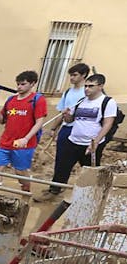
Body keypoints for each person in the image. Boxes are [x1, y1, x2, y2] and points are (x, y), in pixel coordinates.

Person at [35, 74, 119, 201]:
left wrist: (96, 142)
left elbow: (108, 123)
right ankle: (54, 191)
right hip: (73, 140)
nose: (87, 89)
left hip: (91, 144)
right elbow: (70, 120)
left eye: (91, 86)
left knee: (91, 172)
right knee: (62, 167)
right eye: (86, 86)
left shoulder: (107, 102)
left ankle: (91, 197)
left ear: (100, 86)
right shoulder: (81, 101)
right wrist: (66, 114)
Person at [36, 63, 89, 201]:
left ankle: (92, 191)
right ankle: (55, 189)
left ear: (84, 75)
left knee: (87, 163)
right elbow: (62, 112)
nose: (71, 78)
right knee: (61, 161)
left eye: (75, 75)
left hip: (83, 131)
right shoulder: (68, 92)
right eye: (70, 75)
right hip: (67, 129)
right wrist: (54, 128)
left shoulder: (88, 93)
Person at [0, 70, 48, 191]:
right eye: (18, 84)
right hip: (6, 141)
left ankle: (25, 191)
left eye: (23, 84)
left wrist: (26, 138)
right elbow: (2, 120)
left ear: (32, 84)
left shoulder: (37, 99)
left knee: (20, 171)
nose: (19, 87)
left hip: (24, 144)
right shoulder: (11, 100)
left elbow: (39, 122)